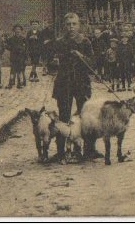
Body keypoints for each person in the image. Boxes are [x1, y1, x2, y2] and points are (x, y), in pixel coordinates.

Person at [50, 12, 95, 161]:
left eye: (74, 24)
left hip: (81, 83)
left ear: (79, 25)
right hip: (64, 83)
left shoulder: (85, 42)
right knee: (63, 116)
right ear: (64, 26)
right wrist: (54, 62)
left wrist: (81, 56)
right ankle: (61, 151)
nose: (71, 27)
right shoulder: (59, 42)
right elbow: (51, 64)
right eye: (68, 24)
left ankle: (88, 150)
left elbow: (92, 64)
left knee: (84, 116)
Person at [5, 24, 27, 89]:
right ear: (14, 31)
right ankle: (10, 83)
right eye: (16, 29)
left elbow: (26, 48)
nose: (18, 31)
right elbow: (7, 46)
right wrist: (12, 48)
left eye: (19, 30)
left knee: (20, 70)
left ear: (21, 31)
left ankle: (19, 83)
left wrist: (25, 57)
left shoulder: (23, 39)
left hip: (21, 57)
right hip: (14, 57)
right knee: (12, 70)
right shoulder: (11, 39)